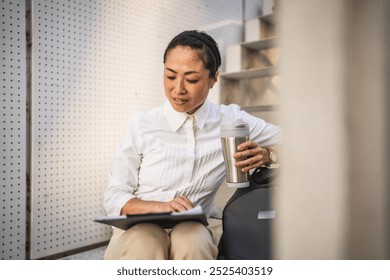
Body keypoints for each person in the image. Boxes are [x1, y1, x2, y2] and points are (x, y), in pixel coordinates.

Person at [103, 30, 282, 260]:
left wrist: (269, 155)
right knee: (145, 241)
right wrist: (160, 206)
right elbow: (114, 196)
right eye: (170, 76)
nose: (178, 89)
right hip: (138, 227)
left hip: (191, 227)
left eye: (192, 79)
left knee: (194, 240)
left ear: (214, 78)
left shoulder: (230, 120)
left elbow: (299, 141)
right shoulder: (142, 124)